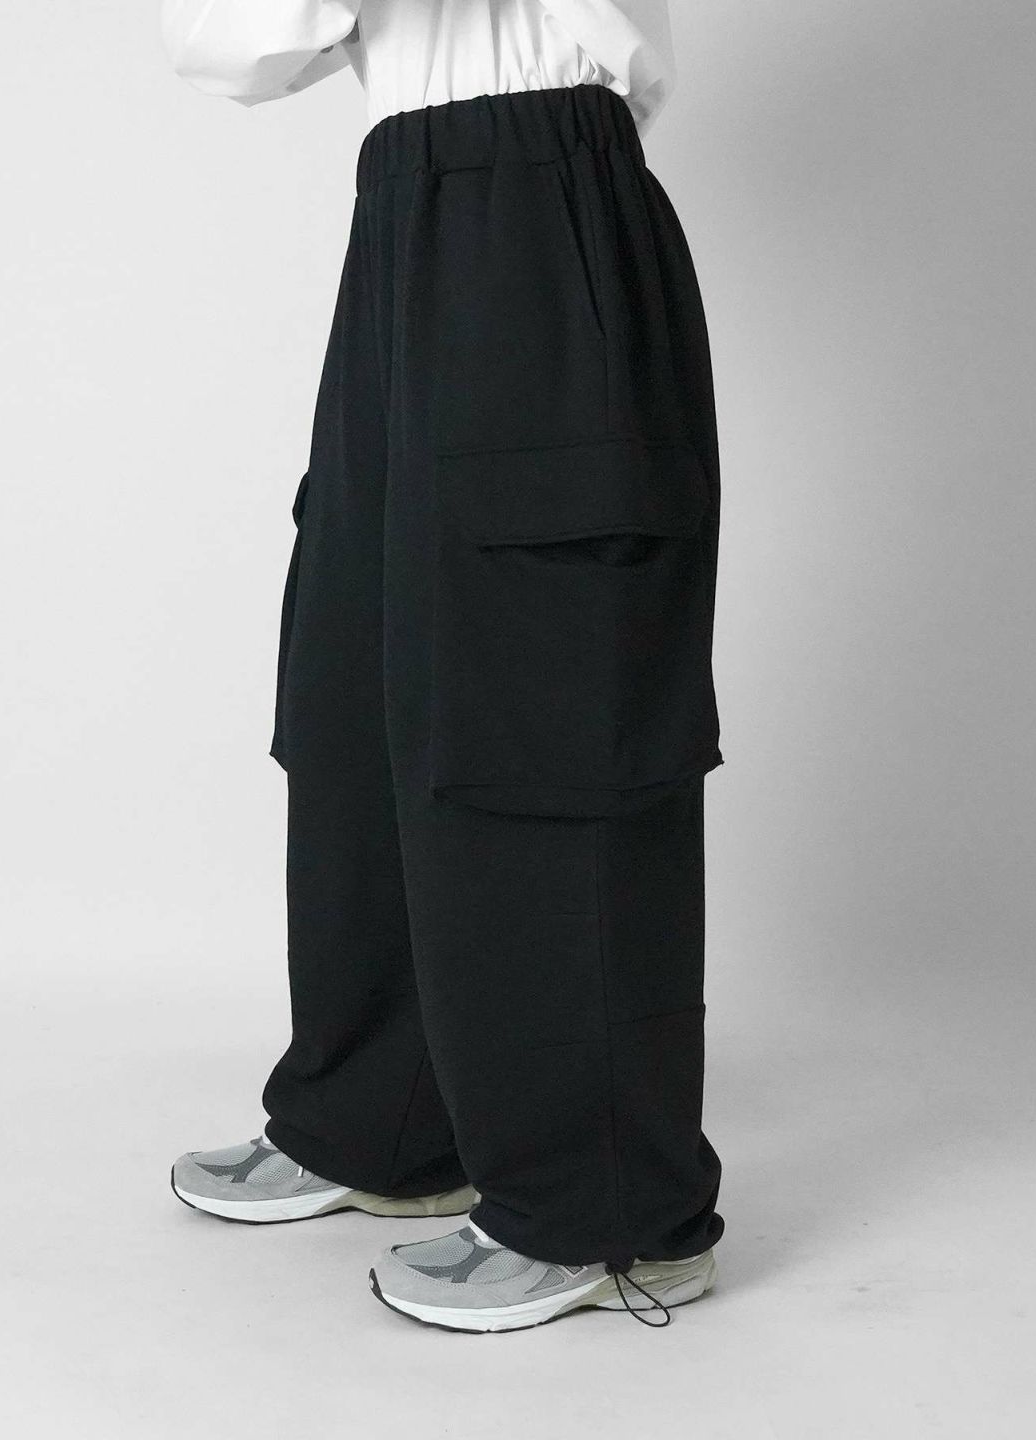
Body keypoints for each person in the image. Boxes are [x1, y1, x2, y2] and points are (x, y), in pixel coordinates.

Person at [161, 0, 726, 1334]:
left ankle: (607, 1211)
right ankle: (386, 1122)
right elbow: (233, 46)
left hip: (548, 206)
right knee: (354, 695)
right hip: (405, 211)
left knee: (547, 708)